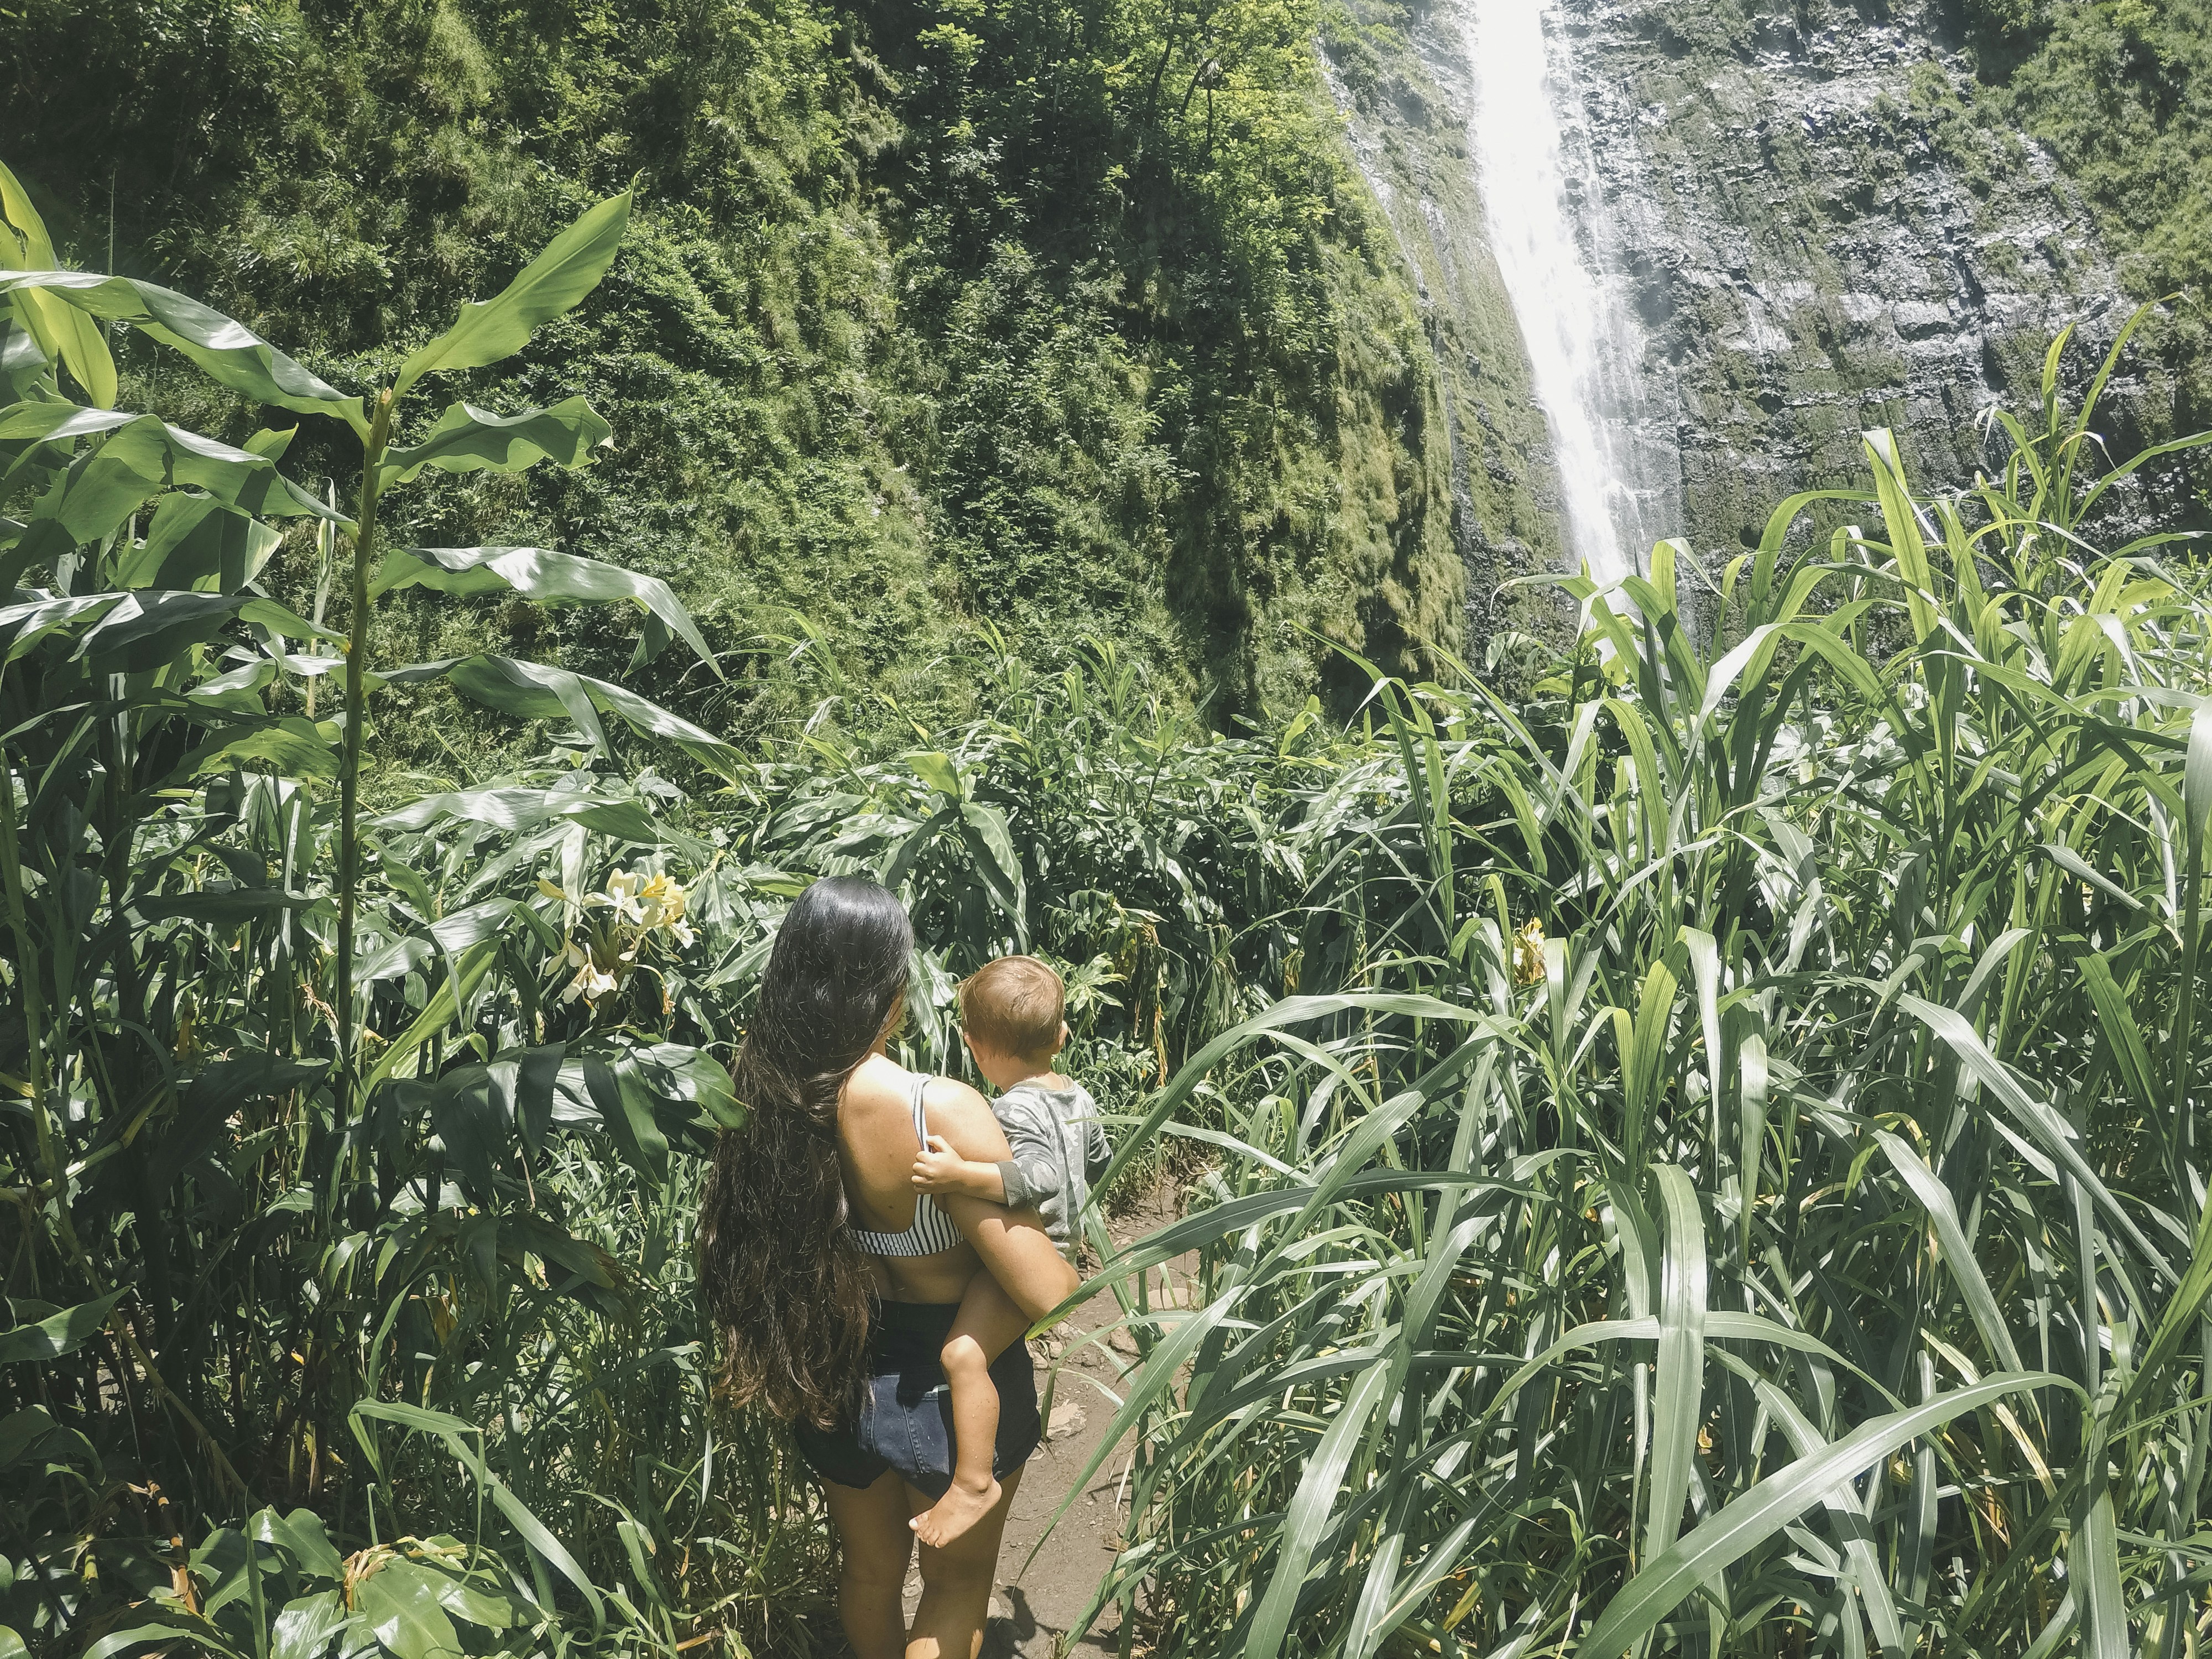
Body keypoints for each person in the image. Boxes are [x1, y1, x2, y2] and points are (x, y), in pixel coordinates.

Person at [698, 879, 1080, 1659]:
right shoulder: (935, 1108)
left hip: (832, 1367)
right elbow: (1045, 1288)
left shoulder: (769, 1095)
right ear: (889, 991)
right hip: (942, 1388)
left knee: (870, 1577)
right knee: (954, 1588)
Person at [905, 956, 1111, 1547]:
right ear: (1061, 1036)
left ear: (974, 1045)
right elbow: (1094, 1162)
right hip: (1061, 1247)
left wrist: (961, 1175)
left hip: (1031, 1256)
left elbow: (1039, 1174)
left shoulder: (1014, 1107)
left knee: (961, 1356)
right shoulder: (1076, 1096)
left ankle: (974, 1482)